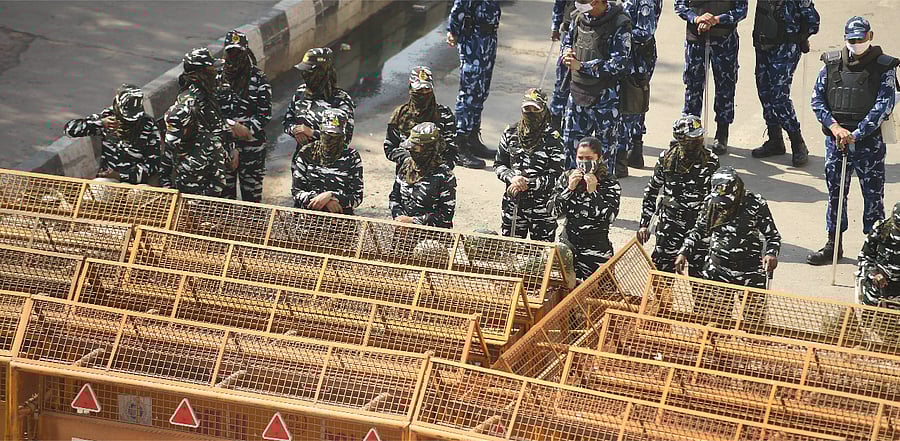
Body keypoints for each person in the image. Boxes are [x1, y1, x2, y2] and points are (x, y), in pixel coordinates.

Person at [807, 16, 898, 266]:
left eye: (860, 38)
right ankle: (833, 244)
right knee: (835, 194)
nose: (856, 43)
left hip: (868, 143)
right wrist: (835, 128)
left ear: (870, 36)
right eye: (852, 39)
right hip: (836, 141)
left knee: (873, 197)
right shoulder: (831, 63)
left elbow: (884, 105)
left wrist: (856, 134)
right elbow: (817, 100)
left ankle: (874, 250)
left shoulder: (884, 66)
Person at [676, 167, 779, 325]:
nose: (723, 206)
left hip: (750, 272)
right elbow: (698, 230)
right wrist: (684, 252)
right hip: (719, 271)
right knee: (717, 324)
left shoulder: (756, 204)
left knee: (755, 325)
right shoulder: (711, 203)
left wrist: (771, 254)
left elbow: (773, 236)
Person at [638, 115, 719, 277]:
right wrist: (644, 223)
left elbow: (716, 198)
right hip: (670, 224)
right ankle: (664, 302)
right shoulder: (667, 159)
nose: (698, 141)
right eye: (692, 138)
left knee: (701, 275)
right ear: (681, 138)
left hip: (699, 226)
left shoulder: (711, 161)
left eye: (699, 137)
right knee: (661, 271)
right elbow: (652, 190)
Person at [561, 0, 632, 173]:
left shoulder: (620, 23)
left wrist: (582, 66)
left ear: (597, 2)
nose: (579, 5)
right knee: (571, 147)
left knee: (604, 152)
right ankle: (571, 190)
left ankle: (600, 193)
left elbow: (618, 64)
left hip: (604, 97)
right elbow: (568, 41)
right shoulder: (579, 17)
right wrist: (566, 52)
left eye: (584, 2)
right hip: (578, 91)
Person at [749, 0, 819, 167]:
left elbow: (814, 22)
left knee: (779, 96)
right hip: (764, 45)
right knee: (764, 91)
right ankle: (775, 140)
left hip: (785, 48)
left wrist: (800, 38)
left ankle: (797, 142)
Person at [674, 0, 748, 155]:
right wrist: (697, 18)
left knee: (725, 87)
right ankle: (689, 131)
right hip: (696, 40)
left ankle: (722, 133)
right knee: (693, 86)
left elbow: (741, 11)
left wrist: (716, 19)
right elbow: (679, 6)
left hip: (725, 40)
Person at [494, 88, 566, 241]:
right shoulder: (511, 133)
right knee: (510, 251)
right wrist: (512, 178)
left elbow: (557, 176)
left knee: (542, 257)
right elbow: (499, 164)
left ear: (543, 109)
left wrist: (530, 183)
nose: (531, 112)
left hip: (542, 208)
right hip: (514, 205)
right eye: (527, 108)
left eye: (535, 108)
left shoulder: (553, 138)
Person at [160, 48, 232, 196]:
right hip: (203, 172)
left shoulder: (207, 93)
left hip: (219, 164)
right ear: (199, 73)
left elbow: (218, 125)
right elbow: (171, 152)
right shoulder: (191, 103)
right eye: (210, 69)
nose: (215, 72)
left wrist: (231, 149)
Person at [553, 136, 621, 281]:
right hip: (569, 245)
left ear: (599, 158)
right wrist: (569, 189)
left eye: (589, 158)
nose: (584, 162)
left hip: (596, 248)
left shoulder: (609, 182)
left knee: (598, 295)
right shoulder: (567, 177)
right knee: (563, 294)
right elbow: (553, 212)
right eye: (580, 157)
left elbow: (610, 217)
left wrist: (593, 192)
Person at [385, 66, 479, 169]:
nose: (423, 93)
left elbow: (452, 150)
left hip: (437, 175)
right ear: (410, 88)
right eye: (419, 89)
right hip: (407, 174)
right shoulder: (400, 115)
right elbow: (390, 148)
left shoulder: (444, 115)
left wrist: (440, 169)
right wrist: (409, 160)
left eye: (427, 89)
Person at [217, 30, 273, 202]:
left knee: (252, 202)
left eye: (238, 52)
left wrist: (246, 130)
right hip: (224, 147)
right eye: (230, 52)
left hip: (252, 149)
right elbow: (211, 111)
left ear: (246, 52)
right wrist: (230, 128)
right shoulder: (217, 77)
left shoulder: (259, 79)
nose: (234, 56)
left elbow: (265, 113)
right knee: (223, 201)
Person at [64, 84, 159, 184]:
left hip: (133, 184)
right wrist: (100, 123)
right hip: (107, 180)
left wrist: (121, 176)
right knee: (98, 187)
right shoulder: (107, 117)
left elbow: (153, 164)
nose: (128, 123)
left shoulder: (149, 125)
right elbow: (69, 130)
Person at [446, 0, 501, 160]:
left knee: (481, 91)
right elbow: (459, 5)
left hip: (489, 38)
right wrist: (453, 30)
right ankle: (460, 143)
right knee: (469, 92)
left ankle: (472, 138)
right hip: (473, 39)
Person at [284, 47, 355, 162]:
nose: (305, 75)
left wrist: (312, 133)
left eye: (309, 72)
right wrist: (296, 130)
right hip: (301, 163)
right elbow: (288, 120)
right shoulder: (301, 92)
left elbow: (345, 138)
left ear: (321, 72)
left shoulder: (341, 101)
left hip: (329, 168)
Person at [617, 0, 662, 175]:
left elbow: (645, 32)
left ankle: (620, 161)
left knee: (629, 106)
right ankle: (635, 151)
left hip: (637, 59)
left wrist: (615, 31)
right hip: (625, 55)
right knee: (634, 105)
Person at [291, 109, 363, 215]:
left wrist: (332, 196)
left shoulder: (351, 156)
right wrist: (321, 200)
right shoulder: (307, 153)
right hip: (308, 221)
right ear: (321, 132)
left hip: (341, 222)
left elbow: (357, 197)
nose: (331, 140)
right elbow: (296, 192)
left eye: (336, 136)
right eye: (327, 135)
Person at [389, 122, 457, 228]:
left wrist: (413, 221)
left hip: (432, 237)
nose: (411, 151)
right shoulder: (407, 166)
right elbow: (394, 197)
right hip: (403, 233)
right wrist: (400, 219)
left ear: (428, 148)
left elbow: (445, 216)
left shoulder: (444, 175)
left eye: (415, 148)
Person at [857, 202, 900, 310]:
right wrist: (874, 273)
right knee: (873, 306)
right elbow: (864, 257)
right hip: (880, 283)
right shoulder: (880, 230)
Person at [550, 0, 575, 131]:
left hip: (594, 35)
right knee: (562, 81)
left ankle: (570, 125)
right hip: (569, 33)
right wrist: (555, 26)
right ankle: (554, 123)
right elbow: (559, 3)